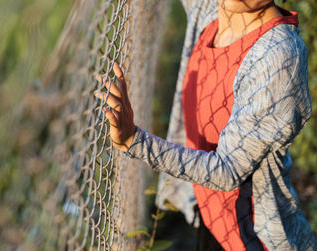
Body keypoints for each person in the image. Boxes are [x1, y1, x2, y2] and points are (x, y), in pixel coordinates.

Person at [94, 0, 317, 250]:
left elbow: (227, 171)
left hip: (250, 238)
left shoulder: (278, 57)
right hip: (209, 216)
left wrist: (134, 141)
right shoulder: (211, 11)